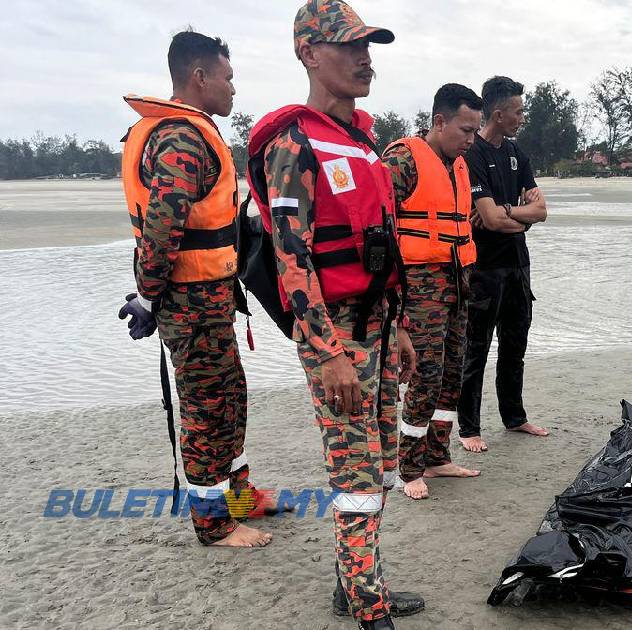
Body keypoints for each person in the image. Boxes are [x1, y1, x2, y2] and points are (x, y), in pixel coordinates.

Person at [244, 1, 422, 627]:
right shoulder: (292, 146)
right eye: (348, 46)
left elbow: (383, 247)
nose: (363, 57)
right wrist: (329, 355)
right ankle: (370, 609)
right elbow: (293, 264)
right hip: (334, 334)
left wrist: (396, 325)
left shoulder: (363, 138)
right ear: (309, 55)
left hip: (377, 324)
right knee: (355, 469)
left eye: (367, 45)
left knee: (380, 460)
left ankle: (355, 586)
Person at [118, 29, 275, 548]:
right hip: (189, 305)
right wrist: (147, 298)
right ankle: (213, 523)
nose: (234, 88)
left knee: (230, 399)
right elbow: (164, 227)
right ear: (199, 77)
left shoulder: (192, 131)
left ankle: (239, 495)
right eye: (228, 78)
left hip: (212, 300)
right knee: (207, 410)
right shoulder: (181, 137)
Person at [381, 84, 485, 500]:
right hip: (417, 289)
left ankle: (437, 456)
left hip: (457, 284)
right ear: (439, 122)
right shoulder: (402, 159)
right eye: (465, 129)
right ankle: (409, 468)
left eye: (476, 130)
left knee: (451, 374)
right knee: (423, 377)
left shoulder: (458, 164)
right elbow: (379, 231)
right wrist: (398, 311)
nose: (471, 139)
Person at [457, 76, 549, 453]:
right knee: (475, 347)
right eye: (518, 111)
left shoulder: (517, 154)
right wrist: (515, 216)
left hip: (517, 265)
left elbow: (540, 212)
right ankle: (468, 428)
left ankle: (514, 416)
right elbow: (488, 220)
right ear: (499, 113)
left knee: (515, 343)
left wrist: (510, 213)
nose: (521, 118)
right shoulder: (472, 153)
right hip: (483, 268)